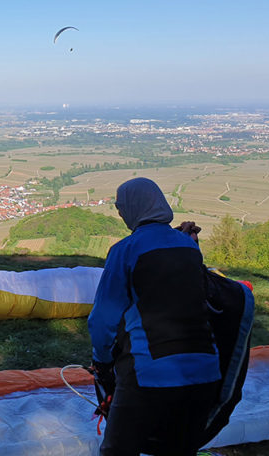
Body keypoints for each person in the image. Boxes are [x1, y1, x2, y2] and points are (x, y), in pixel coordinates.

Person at [88, 177, 221, 456]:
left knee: (118, 451)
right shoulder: (189, 247)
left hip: (149, 373)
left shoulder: (124, 250)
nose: (121, 213)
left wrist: (101, 363)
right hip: (206, 369)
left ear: (135, 207)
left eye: (121, 207)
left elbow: (103, 320)